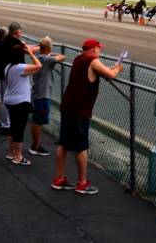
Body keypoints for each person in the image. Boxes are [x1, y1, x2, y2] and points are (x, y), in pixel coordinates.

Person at [52, 38, 123, 195]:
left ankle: (59, 178)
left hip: (68, 106)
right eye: (98, 49)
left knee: (63, 143)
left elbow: (96, 72)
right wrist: (118, 68)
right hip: (79, 111)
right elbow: (111, 74)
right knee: (81, 147)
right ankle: (82, 183)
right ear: (93, 49)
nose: (100, 51)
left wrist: (106, 70)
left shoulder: (79, 59)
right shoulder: (93, 61)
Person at [2, 43, 44, 165]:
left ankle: (11, 153)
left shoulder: (8, 66)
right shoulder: (20, 68)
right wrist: (31, 53)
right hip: (19, 102)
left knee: (13, 128)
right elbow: (38, 66)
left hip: (10, 100)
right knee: (19, 130)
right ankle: (18, 157)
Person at [29, 37, 64, 156]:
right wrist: (51, 52)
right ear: (49, 48)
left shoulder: (38, 56)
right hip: (42, 94)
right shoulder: (46, 59)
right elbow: (61, 57)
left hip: (38, 91)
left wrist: (44, 49)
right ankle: (35, 146)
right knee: (38, 121)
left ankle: (35, 145)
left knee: (37, 120)